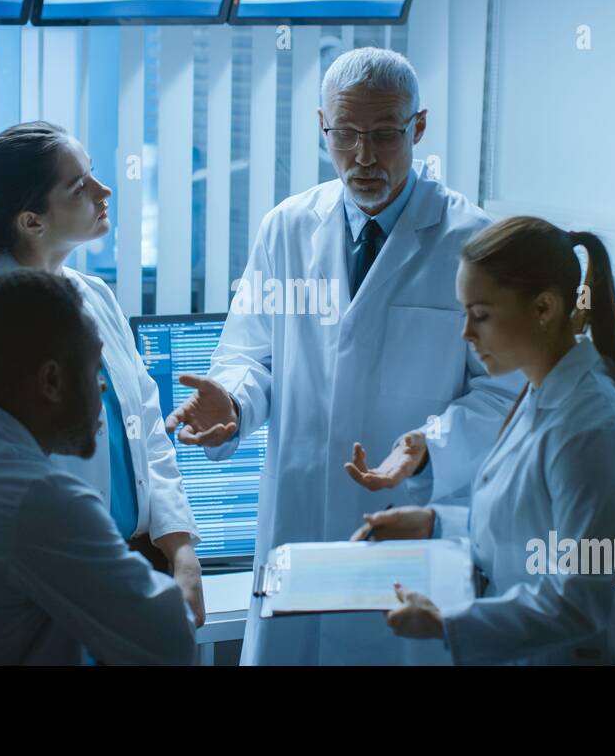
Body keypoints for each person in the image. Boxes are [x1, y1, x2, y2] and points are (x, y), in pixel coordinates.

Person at [165, 48, 521, 665]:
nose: (362, 157)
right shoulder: (286, 228)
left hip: (409, 521)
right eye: (346, 134)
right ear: (321, 126)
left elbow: (504, 392)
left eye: (384, 135)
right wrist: (235, 402)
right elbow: (251, 356)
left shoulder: (472, 242)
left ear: (419, 127)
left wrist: (430, 442)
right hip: (301, 515)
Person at [0, 121, 205, 624]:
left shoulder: (95, 296)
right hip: (54, 583)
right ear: (32, 221)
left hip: (138, 563)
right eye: (80, 186)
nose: (104, 190)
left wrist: (181, 550)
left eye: (93, 174)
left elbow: (149, 432)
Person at [352, 217, 615, 665]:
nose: (466, 333)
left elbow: (586, 601)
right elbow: (529, 534)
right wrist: (433, 523)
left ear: (543, 308)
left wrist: (448, 624)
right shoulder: (539, 394)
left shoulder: (596, 433)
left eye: (480, 315)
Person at [0, 270, 196, 665]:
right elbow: (170, 640)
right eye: (95, 369)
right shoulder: (38, 499)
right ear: (51, 380)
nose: (104, 389)